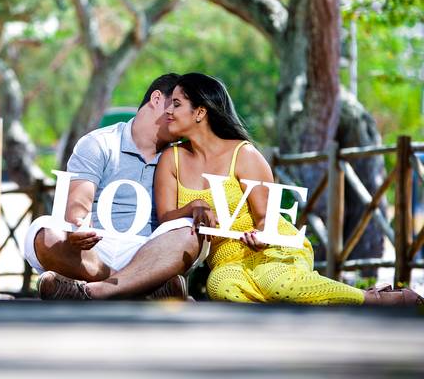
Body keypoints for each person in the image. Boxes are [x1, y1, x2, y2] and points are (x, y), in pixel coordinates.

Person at [154, 72, 423, 305]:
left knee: (274, 282)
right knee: (221, 288)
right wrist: (193, 206)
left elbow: (267, 219)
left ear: (200, 112)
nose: (168, 111)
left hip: (270, 249)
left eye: (176, 104)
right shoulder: (171, 158)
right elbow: (166, 216)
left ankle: (372, 299)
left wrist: (261, 235)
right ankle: (293, 312)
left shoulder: (244, 155)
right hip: (225, 259)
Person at [24, 74, 204, 300]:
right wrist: (80, 226)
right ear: (157, 99)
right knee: (44, 233)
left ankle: (90, 290)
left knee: (190, 234)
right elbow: (78, 204)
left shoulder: (182, 156)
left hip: (151, 253)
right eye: (176, 104)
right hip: (94, 253)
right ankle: (141, 290)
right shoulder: (100, 142)